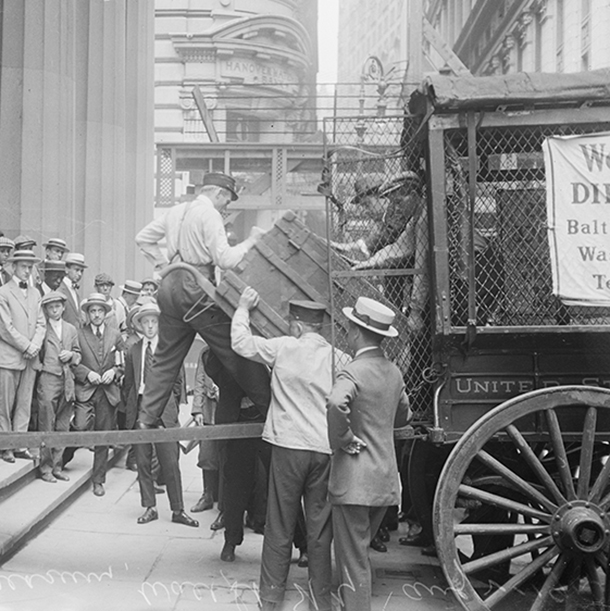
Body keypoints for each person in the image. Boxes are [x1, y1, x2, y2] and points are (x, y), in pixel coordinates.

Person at [232, 287, 345, 611]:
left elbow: (240, 343)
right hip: (323, 451)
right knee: (320, 529)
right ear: (320, 327)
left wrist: (243, 308)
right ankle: (321, 601)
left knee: (280, 525)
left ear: (296, 325)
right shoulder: (337, 356)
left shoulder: (283, 347)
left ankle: (270, 599)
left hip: (287, 447)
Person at [134, 171, 271, 428]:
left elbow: (142, 238)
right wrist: (251, 241)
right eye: (227, 200)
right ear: (218, 193)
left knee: (165, 358)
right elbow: (225, 260)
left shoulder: (177, 211)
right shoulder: (209, 214)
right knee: (235, 348)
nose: (226, 206)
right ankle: (272, 410)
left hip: (170, 286)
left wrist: (163, 264)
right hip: (196, 286)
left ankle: (146, 419)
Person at [326, 297, 411, 611]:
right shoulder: (394, 373)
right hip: (384, 483)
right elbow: (404, 416)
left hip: (353, 483)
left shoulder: (352, 371)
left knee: (353, 562)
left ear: (355, 332)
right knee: (360, 556)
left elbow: (336, 404)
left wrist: (345, 437)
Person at [123, 302, 198, 527]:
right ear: (140, 326)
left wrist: (172, 406)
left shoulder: (168, 349)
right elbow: (129, 382)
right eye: (145, 322)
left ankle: (178, 510)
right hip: (140, 406)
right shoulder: (134, 350)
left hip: (164, 407)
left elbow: (177, 381)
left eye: (153, 322)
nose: (149, 326)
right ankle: (150, 507)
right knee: (143, 461)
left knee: (170, 461)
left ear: (159, 324)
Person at [73, 292, 124, 496]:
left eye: (99, 310)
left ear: (105, 313)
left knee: (103, 435)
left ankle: (98, 480)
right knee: (80, 426)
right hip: (86, 389)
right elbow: (73, 363)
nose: (96, 314)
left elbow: (122, 363)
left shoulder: (115, 334)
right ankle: (65, 456)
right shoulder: (79, 333)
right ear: (87, 313)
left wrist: (115, 372)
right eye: (92, 311)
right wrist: (88, 374)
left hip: (107, 391)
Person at [0, 250, 46, 462]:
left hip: (30, 357)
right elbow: (5, 327)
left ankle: (19, 445)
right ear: (14, 267)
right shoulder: (4, 292)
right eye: (24, 266)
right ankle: (5, 445)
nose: (27, 270)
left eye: (30, 266)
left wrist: (35, 345)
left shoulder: (36, 293)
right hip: (10, 356)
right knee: (5, 404)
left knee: (24, 402)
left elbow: (41, 323)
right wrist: (27, 346)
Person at [36, 291, 81, 483]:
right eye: (50, 307)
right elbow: (36, 356)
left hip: (68, 380)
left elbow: (78, 354)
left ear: (63, 307)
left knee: (63, 424)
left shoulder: (70, 329)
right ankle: (45, 468)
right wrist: (44, 368)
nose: (55, 310)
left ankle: (57, 466)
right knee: (47, 422)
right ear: (45, 310)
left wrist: (71, 355)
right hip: (48, 378)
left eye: (58, 306)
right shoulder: (42, 329)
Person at [58, 253, 87, 328]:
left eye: (81, 271)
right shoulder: (59, 290)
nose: (79, 274)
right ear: (66, 269)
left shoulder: (75, 291)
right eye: (76, 270)